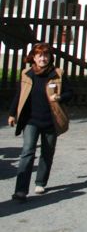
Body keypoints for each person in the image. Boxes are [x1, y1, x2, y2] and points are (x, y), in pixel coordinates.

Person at [8, 43, 72, 201]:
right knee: (27, 152)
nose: (43, 58)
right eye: (39, 56)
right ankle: (21, 190)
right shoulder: (26, 74)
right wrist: (12, 114)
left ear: (50, 58)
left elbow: (70, 93)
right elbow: (20, 95)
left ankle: (40, 181)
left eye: (46, 55)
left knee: (47, 152)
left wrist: (60, 97)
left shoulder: (58, 73)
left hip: (51, 119)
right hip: (31, 120)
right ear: (34, 58)